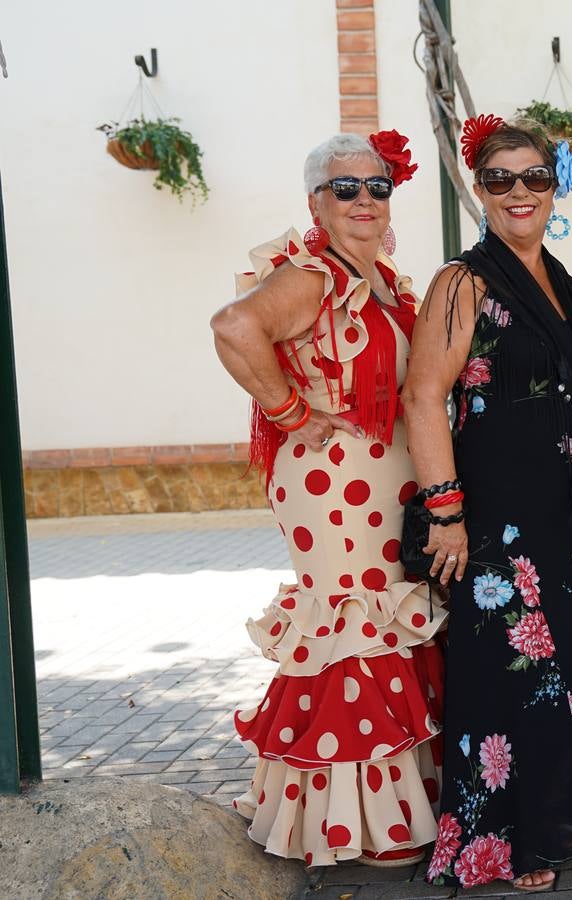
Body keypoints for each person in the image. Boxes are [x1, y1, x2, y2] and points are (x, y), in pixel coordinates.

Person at [211, 131, 446, 868]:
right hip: (331, 484)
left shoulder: (378, 279)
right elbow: (233, 326)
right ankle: (359, 824)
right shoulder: (312, 275)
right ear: (316, 200)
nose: (364, 200)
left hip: (382, 483)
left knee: (382, 621)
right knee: (353, 622)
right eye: (345, 188)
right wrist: (288, 411)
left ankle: (387, 807)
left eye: (377, 187)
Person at [402, 116, 572, 892]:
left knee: (561, 670)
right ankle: (508, 841)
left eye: (533, 176)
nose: (518, 191)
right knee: (511, 675)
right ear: (479, 190)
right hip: (495, 519)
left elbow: (557, 379)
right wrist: (446, 512)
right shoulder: (463, 281)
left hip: (562, 514)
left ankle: (555, 821)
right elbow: (424, 397)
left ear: (554, 184)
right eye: (500, 179)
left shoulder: (561, 280)